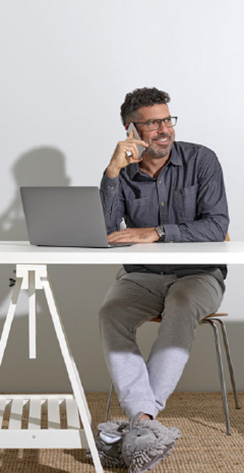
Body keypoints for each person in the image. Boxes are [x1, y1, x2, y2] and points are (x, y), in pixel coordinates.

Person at [99, 87, 229, 422]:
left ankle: (141, 417)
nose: (165, 130)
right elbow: (105, 231)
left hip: (198, 274)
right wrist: (112, 173)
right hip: (141, 275)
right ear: (131, 131)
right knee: (111, 313)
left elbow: (216, 226)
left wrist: (158, 232)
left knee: (182, 304)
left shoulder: (202, 160)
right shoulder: (122, 172)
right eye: (153, 123)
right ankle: (145, 418)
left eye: (167, 120)